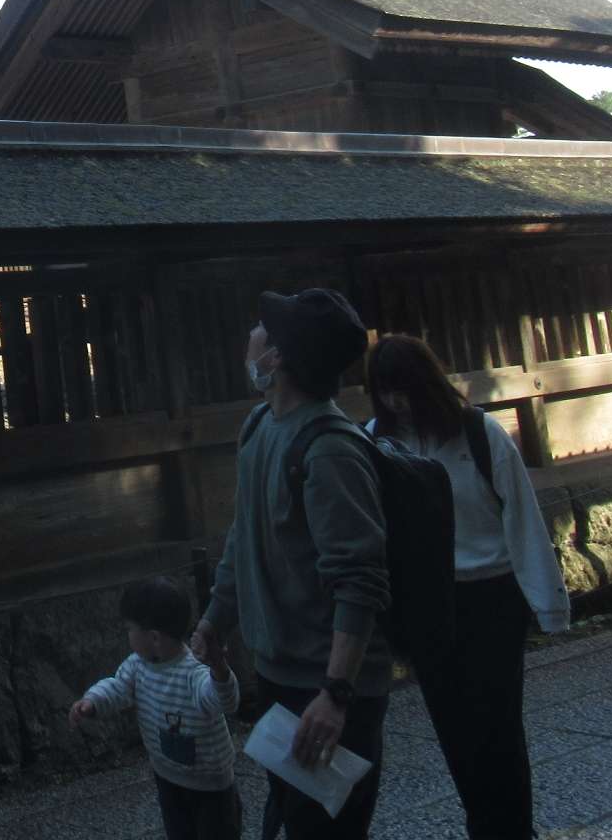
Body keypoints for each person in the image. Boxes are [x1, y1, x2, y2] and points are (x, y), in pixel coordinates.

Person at [192, 287, 390, 839]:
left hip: (327, 687)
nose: (251, 336)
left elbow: (359, 581)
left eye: (262, 330)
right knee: (292, 820)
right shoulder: (259, 427)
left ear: (276, 357)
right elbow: (245, 533)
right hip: (278, 671)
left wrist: (336, 694)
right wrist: (215, 618)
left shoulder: (331, 451)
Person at [365, 333, 570, 840]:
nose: (396, 403)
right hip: (427, 604)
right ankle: (484, 823)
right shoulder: (375, 441)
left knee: (498, 728)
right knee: (454, 729)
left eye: (403, 390)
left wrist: (549, 605)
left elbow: (522, 519)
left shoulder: (480, 435)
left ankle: (511, 829)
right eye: (385, 392)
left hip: (490, 597)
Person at [70, 574, 243, 840]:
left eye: (129, 629)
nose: (127, 634)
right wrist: (92, 702)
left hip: (212, 786)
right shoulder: (137, 666)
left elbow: (224, 701)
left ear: (153, 637)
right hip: (167, 776)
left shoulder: (193, 672)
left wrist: (219, 668)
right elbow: (117, 687)